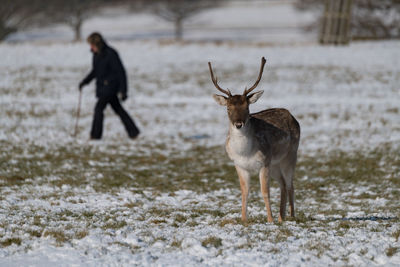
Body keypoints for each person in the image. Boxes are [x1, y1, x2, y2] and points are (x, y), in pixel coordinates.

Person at [79, 32, 140, 140]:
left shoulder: (111, 54)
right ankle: (133, 131)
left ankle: (95, 135)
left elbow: (121, 72)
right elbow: (95, 71)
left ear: (96, 44)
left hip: (110, 87)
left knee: (98, 109)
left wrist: (123, 91)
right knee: (118, 109)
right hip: (102, 88)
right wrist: (85, 82)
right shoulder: (96, 55)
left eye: (92, 45)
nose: (91, 48)